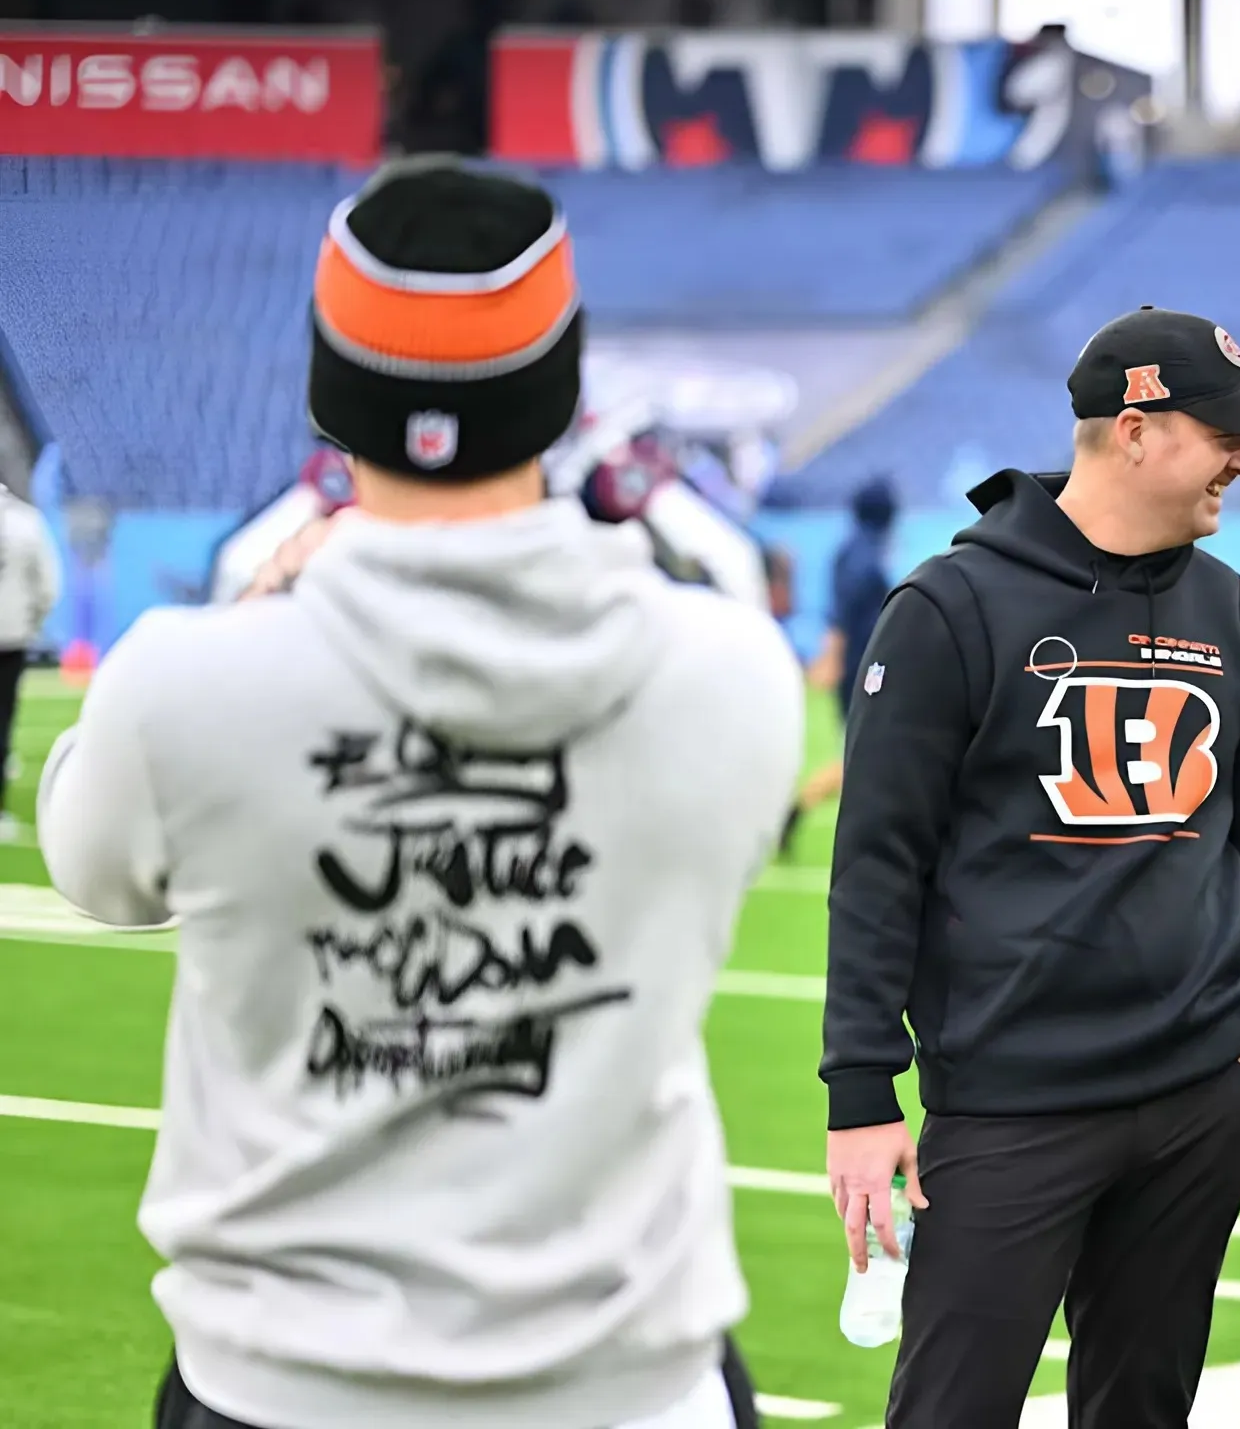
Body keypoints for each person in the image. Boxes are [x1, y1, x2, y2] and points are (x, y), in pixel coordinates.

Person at [38, 159, 801, 1429]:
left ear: (332, 390)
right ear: (560, 389)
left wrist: (258, 613)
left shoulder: (183, 684)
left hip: (280, 1381)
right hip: (629, 1381)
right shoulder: (729, 675)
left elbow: (90, 862)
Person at [819, 307, 1240, 1429]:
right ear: (1135, 432)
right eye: (1224, 434)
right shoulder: (948, 609)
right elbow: (876, 866)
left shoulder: (1230, 610)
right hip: (1010, 1111)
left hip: (1201, 1097)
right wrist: (860, 1092)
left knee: (1142, 1409)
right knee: (951, 1411)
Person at [786, 478, 899, 850]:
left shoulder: (850, 550)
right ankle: (802, 805)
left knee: (870, 755)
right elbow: (843, 615)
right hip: (865, 670)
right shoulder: (865, 556)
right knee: (868, 755)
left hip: (865, 667)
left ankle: (803, 805)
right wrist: (831, 657)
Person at [0, 478, 62, 837]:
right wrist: (30, 622)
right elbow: (48, 584)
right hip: (10, 637)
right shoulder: (28, 521)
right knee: (2, 720)